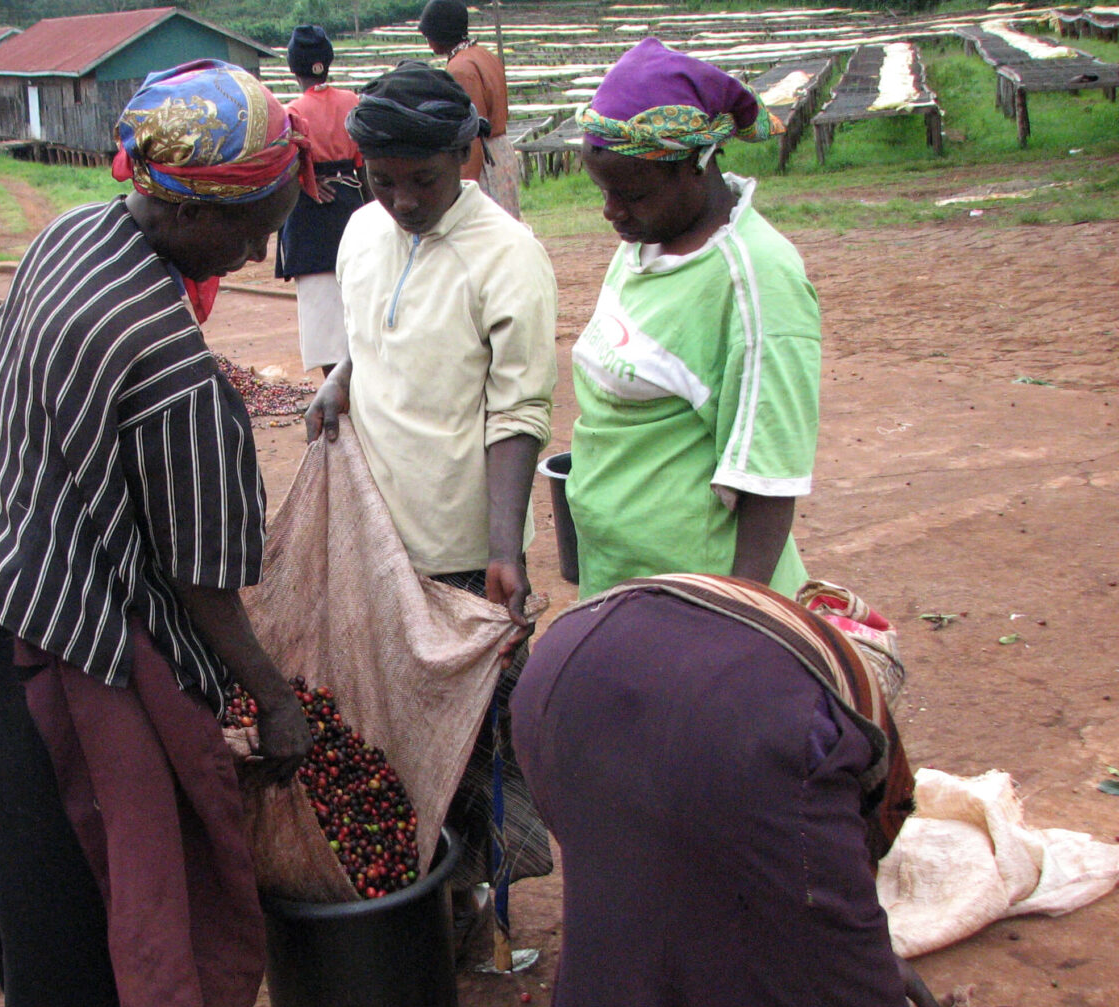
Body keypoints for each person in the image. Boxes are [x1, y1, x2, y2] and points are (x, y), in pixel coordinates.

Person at [0, 61, 316, 1007]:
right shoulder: (175, 375)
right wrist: (271, 700)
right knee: (179, 860)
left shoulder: (68, 238)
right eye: (248, 232)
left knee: (45, 869)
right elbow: (202, 587)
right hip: (70, 639)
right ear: (186, 204)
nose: (253, 257)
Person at [510, 573, 957, 1007]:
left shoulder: (771, 637)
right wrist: (869, 979)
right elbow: (830, 920)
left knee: (628, 960)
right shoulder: (842, 733)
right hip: (722, 734)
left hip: (559, 678)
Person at [305, 61, 558, 937]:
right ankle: (424, 881)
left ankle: (479, 893)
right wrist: (341, 378)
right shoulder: (363, 234)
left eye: (425, 179)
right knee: (390, 724)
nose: (404, 200)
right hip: (375, 532)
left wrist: (503, 549)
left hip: (461, 539)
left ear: (466, 154)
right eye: (384, 181)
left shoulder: (508, 255)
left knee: (473, 731)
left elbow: (519, 408)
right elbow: (373, 336)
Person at [566, 38, 817, 598]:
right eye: (603, 191)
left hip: (698, 597)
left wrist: (737, 618)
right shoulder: (645, 242)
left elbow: (767, 473)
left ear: (695, 166)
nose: (611, 211)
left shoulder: (754, 280)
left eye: (628, 193)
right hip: (620, 579)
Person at [274, 25, 367, 377]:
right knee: (356, 302)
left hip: (311, 216)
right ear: (327, 62)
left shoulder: (290, 114)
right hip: (350, 206)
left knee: (323, 316)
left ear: (293, 68)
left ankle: (335, 389)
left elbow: (283, 169)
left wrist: (305, 184)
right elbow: (365, 168)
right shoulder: (353, 102)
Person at [418, 0, 521, 218]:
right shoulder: (484, 55)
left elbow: (472, 130)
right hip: (502, 153)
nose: (427, 42)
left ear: (440, 32)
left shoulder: (460, 69)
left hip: (483, 159)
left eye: (428, 35)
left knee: (483, 230)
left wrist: (466, 188)